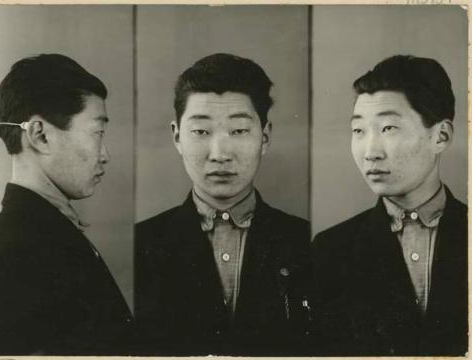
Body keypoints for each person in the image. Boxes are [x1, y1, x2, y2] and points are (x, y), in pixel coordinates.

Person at [134, 53, 312, 355]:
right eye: (201, 131)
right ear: (177, 137)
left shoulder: (308, 243)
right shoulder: (141, 244)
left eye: (239, 131)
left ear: (265, 137)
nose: (220, 153)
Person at [0, 54, 134, 355]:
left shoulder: (38, 233)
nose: (105, 155)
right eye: (97, 132)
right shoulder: (18, 251)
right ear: (40, 135)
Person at [312, 55, 467, 356]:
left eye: (388, 129)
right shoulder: (330, 250)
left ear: (441, 136)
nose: (370, 152)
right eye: (358, 131)